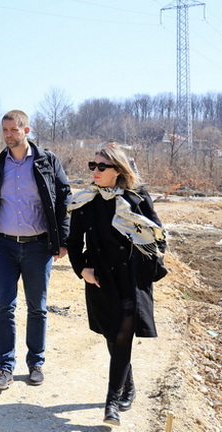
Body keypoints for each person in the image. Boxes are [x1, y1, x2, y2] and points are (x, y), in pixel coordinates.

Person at [67, 145, 166, 426]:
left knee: (123, 336)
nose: (95, 171)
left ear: (118, 170)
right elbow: (73, 242)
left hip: (130, 279)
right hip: (100, 278)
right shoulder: (86, 200)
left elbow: (157, 234)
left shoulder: (136, 197)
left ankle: (111, 403)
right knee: (112, 335)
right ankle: (128, 384)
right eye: (93, 166)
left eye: (102, 167)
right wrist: (82, 269)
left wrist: (149, 262)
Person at [0, 109, 71, 389]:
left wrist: (63, 240)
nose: (8, 135)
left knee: (37, 308)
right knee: (3, 306)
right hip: (3, 246)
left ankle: (36, 363)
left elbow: (64, 199)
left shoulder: (47, 162)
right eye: (5, 130)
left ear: (26, 131)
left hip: (38, 247)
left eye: (13, 130)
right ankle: (4, 368)